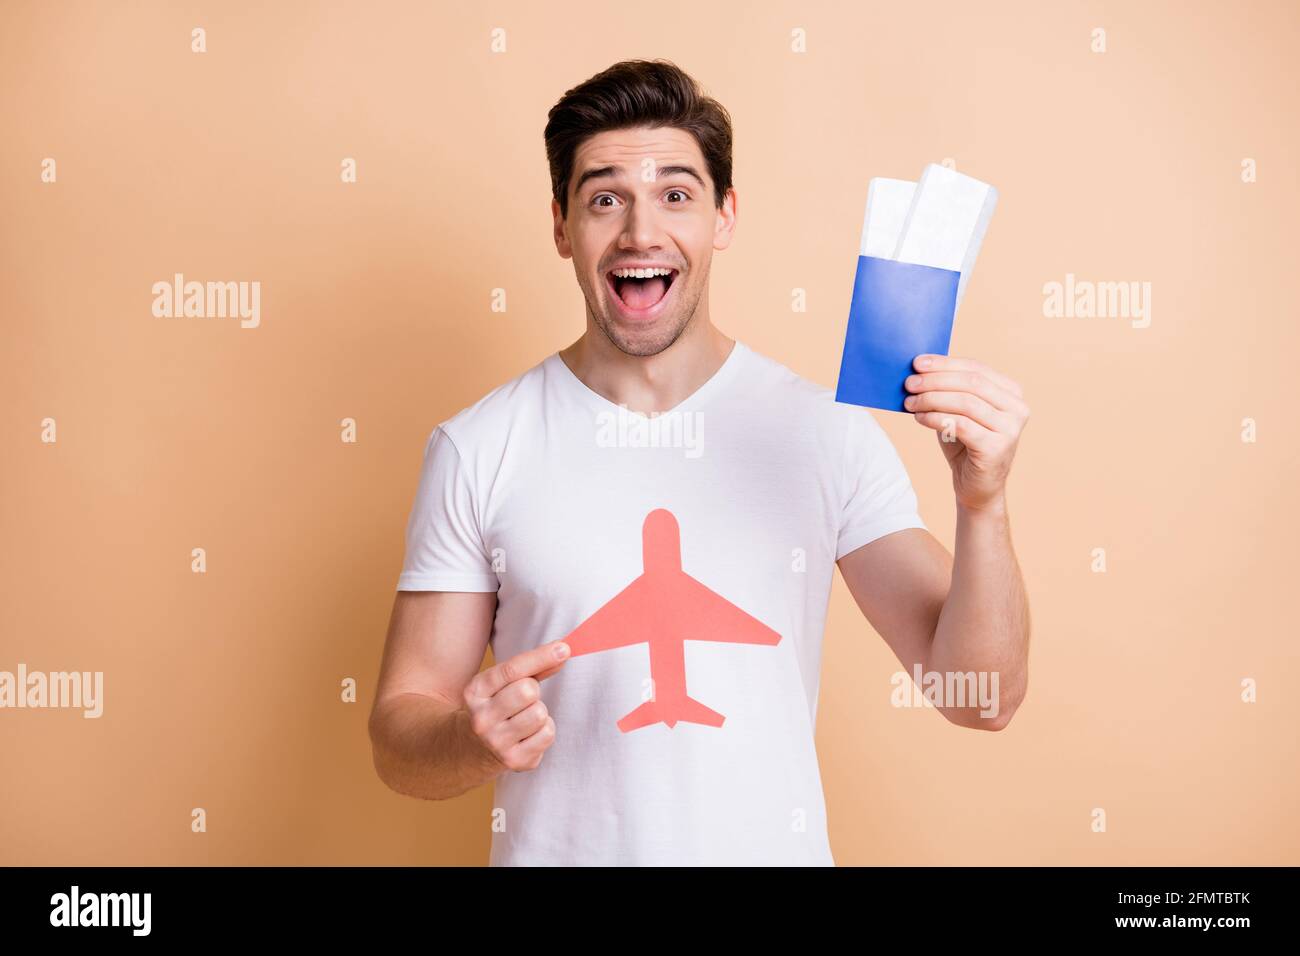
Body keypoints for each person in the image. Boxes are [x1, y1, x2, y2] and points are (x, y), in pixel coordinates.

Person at [368, 59, 1031, 866]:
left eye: (676, 194)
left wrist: (983, 505)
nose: (641, 233)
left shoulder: (822, 433)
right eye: (604, 197)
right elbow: (401, 732)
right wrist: (468, 742)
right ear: (559, 226)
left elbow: (983, 700)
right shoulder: (479, 446)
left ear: (724, 216)